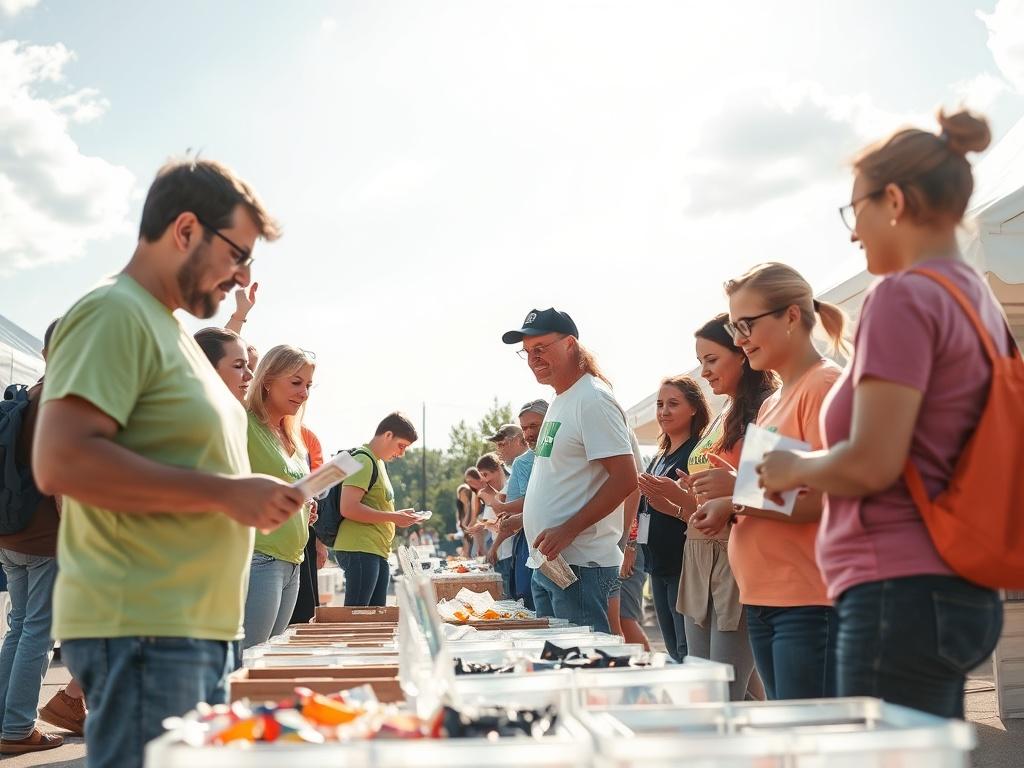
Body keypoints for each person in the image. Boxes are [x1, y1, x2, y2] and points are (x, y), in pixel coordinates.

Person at [32, 159, 306, 768]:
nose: (241, 277)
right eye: (237, 254)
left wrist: (246, 497)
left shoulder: (171, 331)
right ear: (185, 230)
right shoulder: (112, 313)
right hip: (146, 627)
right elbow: (61, 459)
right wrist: (224, 495)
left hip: (191, 627)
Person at [757, 110, 1005, 718]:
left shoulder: (903, 295)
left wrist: (793, 468)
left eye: (854, 211)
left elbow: (871, 462)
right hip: (957, 585)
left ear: (893, 199)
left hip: (896, 588)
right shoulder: (975, 299)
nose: (852, 234)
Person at [691, 263, 846, 701]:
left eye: (746, 325)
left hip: (808, 600)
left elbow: (833, 499)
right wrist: (727, 505)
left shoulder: (825, 386)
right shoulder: (774, 401)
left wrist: (735, 491)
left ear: (792, 316)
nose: (739, 339)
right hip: (764, 597)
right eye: (734, 327)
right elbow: (769, 495)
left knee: (814, 740)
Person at [503, 308, 639, 634]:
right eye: (528, 352)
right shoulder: (563, 399)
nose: (534, 359)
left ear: (570, 344)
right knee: (564, 668)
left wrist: (568, 530)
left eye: (541, 349)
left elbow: (625, 478)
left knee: (587, 669)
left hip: (581, 564)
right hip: (551, 563)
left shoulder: (592, 399)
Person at [0, 319, 87, 755]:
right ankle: (17, 728)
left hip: (12, 533)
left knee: (19, 629)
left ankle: (6, 722)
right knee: (38, 631)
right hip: (46, 537)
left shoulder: (34, 390)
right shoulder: (66, 399)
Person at [242, 346, 317, 649]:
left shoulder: (294, 437)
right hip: (260, 557)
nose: (304, 393)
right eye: (296, 382)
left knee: (267, 658)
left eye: (309, 385)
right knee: (247, 660)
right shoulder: (243, 424)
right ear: (268, 380)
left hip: (293, 562)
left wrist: (307, 507)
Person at [633, 375, 709, 662]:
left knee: (688, 650)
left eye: (673, 404)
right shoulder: (661, 454)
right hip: (657, 564)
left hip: (684, 564)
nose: (664, 411)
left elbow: (702, 507)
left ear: (693, 408)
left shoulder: (698, 453)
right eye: (660, 404)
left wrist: (674, 509)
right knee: (675, 650)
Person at [334, 413, 422, 606]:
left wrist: (398, 516)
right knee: (357, 619)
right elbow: (348, 508)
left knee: (374, 619)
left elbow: (374, 505)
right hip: (360, 548)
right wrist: (393, 517)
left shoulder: (378, 462)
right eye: (402, 446)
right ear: (388, 435)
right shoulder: (364, 460)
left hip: (375, 550)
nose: (402, 454)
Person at [475, 451, 512, 593]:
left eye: (485, 475)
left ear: (497, 470)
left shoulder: (507, 488)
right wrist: (482, 525)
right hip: (501, 553)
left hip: (508, 552)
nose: (484, 480)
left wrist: (493, 548)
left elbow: (504, 522)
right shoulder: (495, 492)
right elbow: (495, 522)